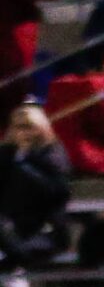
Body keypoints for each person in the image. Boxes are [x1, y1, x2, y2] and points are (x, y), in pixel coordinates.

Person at [0, 105, 70, 264]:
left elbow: (57, 192)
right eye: (18, 127)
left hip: (44, 227)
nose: (23, 133)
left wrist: (24, 162)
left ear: (41, 128)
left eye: (29, 127)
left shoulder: (53, 153)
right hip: (10, 223)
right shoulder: (6, 154)